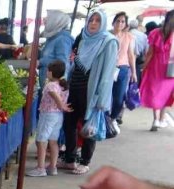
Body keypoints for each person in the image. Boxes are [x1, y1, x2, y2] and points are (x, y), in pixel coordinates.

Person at [58, 10, 117, 176]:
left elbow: (107, 73)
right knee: (69, 124)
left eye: (98, 21)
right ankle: (70, 159)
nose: (93, 23)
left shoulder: (109, 42)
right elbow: (75, 63)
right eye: (91, 20)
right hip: (75, 87)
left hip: (92, 92)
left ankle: (85, 161)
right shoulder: (83, 38)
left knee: (89, 126)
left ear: (103, 23)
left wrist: (102, 100)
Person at [27, 61, 70, 177]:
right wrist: (61, 107)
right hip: (58, 116)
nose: (46, 72)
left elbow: (53, 94)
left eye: (47, 70)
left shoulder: (50, 85)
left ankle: (40, 168)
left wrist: (61, 104)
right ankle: (52, 167)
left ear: (51, 72)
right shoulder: (63, 85)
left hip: (48, 115)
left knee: (41, 140)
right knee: (53, 141)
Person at [139, 10, 174, 131]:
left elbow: (150, 53)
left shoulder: (155, 32)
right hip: (171, 67)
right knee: (166, 94)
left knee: (156, 92)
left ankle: (156, 119)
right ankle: (162, 119)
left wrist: (145, 66)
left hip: (155, 65)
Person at [109, 12, 138, 124]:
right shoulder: (107, 35)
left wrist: (134, 72)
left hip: (122, 69)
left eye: (122, 21)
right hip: (108, 69)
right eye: (118, 21)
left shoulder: (128, 37)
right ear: (113, 22)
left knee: (119, 98)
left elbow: (131, 55)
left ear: (125, 24)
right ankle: (105, 118)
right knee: (105, 96)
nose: (120, 23)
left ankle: (113, 118)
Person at [39, 10, 75, 88]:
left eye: (48, 18)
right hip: (48, 85)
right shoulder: (52, 37)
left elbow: (63, 64)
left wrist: (41, 62)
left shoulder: (63, 39)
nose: (45, 20)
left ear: (56, 21)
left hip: (53, 89)